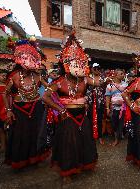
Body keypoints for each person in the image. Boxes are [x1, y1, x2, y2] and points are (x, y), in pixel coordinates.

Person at [43, 32, 106, 182]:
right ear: (66, 64)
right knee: (68, 143)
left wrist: (107, 79)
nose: (77, 66)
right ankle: (67, 172)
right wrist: (60, 109)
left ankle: (85, 164)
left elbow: (98, 83)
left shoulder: (85, 80)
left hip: (82, 116)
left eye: (80, 63)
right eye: (74, 63)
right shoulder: (59, 81)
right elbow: (44, 97)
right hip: (67, 116)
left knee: (85, 140)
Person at [4, 37, 50, 169]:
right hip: (20, 110)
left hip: (36, 109)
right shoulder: (14, 76)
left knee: (36, 134)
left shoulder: (37, 76)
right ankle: (21, 161)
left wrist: (52, 98)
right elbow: (5, 94)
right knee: (20, 135)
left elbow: (50, 89)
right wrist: (8, 110)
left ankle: (35, 158)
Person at [105, 68, 127, 146]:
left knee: (121, 123)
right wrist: (107, 108)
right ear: (116, 75)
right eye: (121, 74)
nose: (123, 75)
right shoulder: (109, 85)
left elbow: (128, 95)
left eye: (123, 74)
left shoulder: (125, 85)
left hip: (123, 108)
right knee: (114, 123)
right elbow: (107, 97)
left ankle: (117, 139)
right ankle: (116, 137)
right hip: (114, 108)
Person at [86, 63, 106, 145]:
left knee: (100, 120)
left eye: (98, 68)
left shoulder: (103, 78)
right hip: (90, 102)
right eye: (95, 68)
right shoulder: (88, 78)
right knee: (90, 119)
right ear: (92, 69)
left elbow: (105, 88)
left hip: (100, 102)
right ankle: (91, 137)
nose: (97, 70)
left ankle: (100, 137)